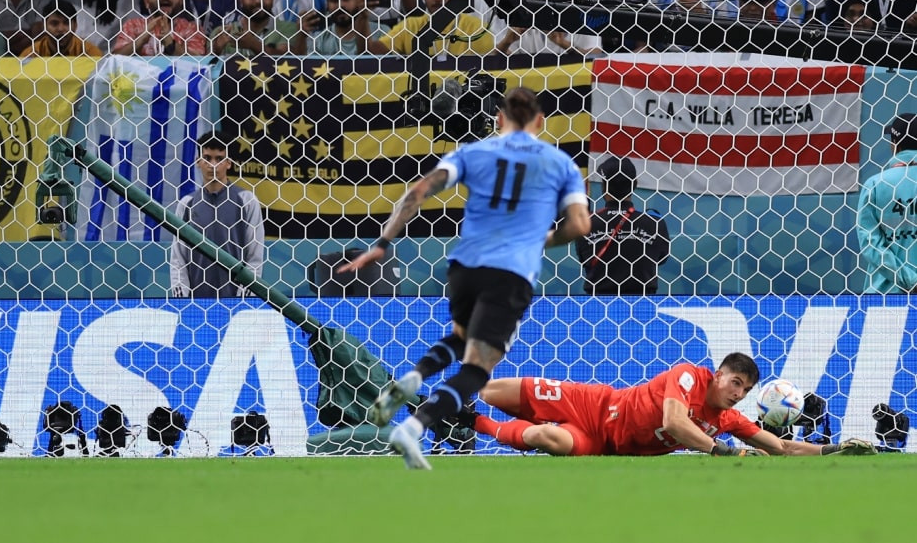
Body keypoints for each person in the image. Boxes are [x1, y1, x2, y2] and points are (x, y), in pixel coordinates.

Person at [342, 86, 591, 469]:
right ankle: (414, 427)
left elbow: (419, 191)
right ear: (540, 121)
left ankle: (416, 375)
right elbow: (580, 225)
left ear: (499, 119)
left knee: (461, 337)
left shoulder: (474, 152)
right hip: (511, 272)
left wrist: (382, 243)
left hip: (464, 267)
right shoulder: (561, 163)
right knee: (477, 368)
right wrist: (545, 239)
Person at [471, 352, 876, 456]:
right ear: (717, 375)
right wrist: (721, 450)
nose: (738, 394)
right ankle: (449, 401)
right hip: (592, 404)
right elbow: (675, 423)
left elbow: (782, 446)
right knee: (490, 391)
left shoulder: (727, 419)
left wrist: (835, 449)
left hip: (603, 443)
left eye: (745, 390)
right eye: (735, 383)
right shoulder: (687, 376)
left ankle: (473, 424)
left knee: (547, 438)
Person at [169, 134, 265, 299]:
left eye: (219, 159)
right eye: (207, 158)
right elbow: (178, 259)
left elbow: (254, 257)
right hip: (196, 304)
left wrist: (243, 299)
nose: (213, 165)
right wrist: (183, 302)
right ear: (198, 161)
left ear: (229, 163)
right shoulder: (187, 204)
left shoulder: (247, 201)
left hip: (237, 302)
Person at [576, 157, 668, 296]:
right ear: (634, 185)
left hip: (597, 304)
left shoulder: (586, 223)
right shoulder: (654, 223)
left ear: (604, 187)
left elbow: (584, 260)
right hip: (643, 303)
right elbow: (661, 258)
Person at [857, 113, 917, 294]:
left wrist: (910, 280)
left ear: (894, 144)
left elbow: (870, 243)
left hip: (884, 296)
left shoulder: (875, 185)